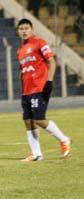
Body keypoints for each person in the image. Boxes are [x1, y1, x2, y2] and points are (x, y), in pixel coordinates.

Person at [16, 18, 71, 162]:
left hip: (39, 88)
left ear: (32, 29)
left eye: (26, 28)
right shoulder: (20, 50)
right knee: (28, 121)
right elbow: (24, 71)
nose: (24, 31)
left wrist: (49, 81)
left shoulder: (40, 43)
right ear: (18, 31)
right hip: (26, 91)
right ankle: (36, 154)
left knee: (39, 119)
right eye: (21, 29)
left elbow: (51, 61)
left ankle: (64, 139)